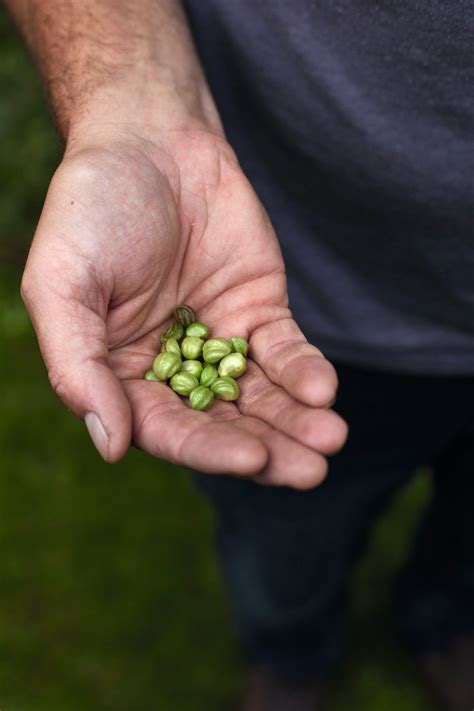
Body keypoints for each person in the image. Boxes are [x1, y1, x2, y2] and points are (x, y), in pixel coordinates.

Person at [6, 1, 473, 709]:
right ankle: (291, 655)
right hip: (292, 291)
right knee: (282, 544)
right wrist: (130, 105)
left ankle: (442, 623)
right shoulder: (221, 332)